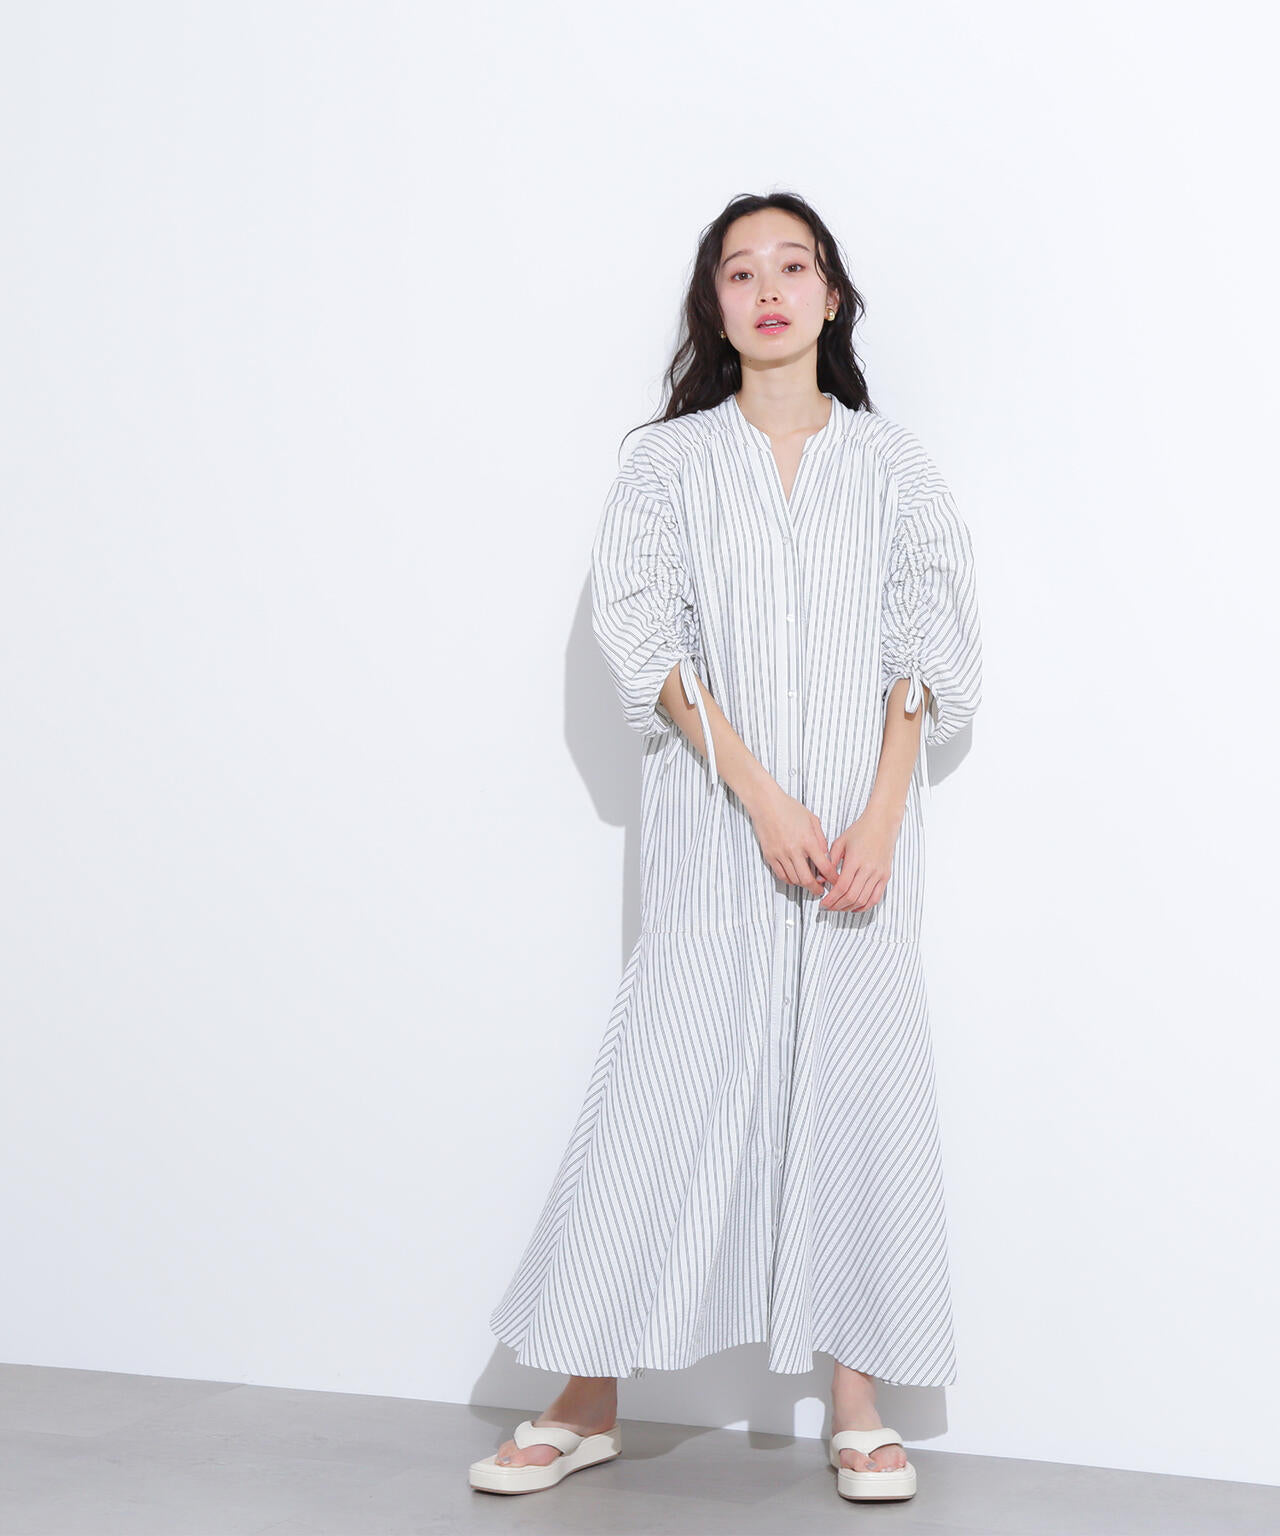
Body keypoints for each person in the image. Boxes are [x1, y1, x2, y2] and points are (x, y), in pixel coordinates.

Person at [470, 191, 983, 1506]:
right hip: (714, 834)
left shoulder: (894, 466)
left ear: (831, 295)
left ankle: (858, 1401)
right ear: (715, 302)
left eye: (792, 266)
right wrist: (758, 796)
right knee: (664, 1093)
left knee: (862, 1090)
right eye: (741, 271)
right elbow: (643, 633)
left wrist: (881, 815)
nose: (768, 290)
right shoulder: (668, 465)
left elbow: (927, 639)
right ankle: (586, 1396)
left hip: (864, 851)